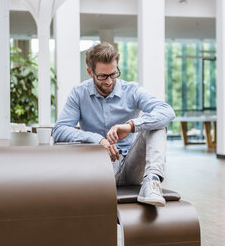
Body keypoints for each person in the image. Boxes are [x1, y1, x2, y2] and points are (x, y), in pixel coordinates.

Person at [53, 42, 175, 206]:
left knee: (157, 123)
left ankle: (152, 182)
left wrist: (131, 126)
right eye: (103, 76)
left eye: (113, 74)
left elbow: (167, 111)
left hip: (132, 167)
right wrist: (97, 139)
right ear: (90, 72)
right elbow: (59, 130)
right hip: (100, 168)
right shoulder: (79, 93)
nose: (109, 81)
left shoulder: (131, 90)